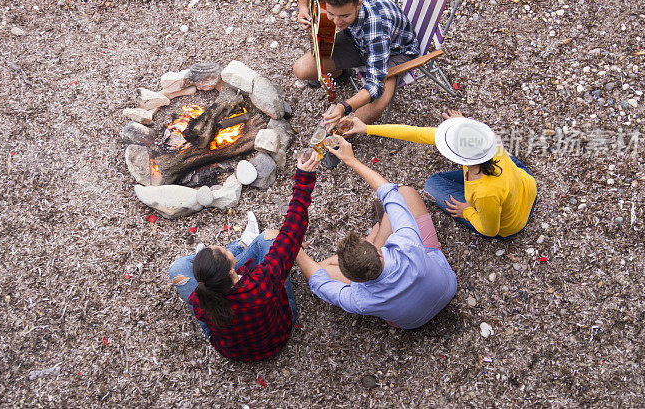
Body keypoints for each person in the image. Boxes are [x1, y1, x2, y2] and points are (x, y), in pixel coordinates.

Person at [168, 152, 319, 362]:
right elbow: (293, 230)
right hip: (278, 336)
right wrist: (304, 179)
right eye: (223, 249)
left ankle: (238, 246)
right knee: (267, 239)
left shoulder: (201, 299)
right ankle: (244, 243)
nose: (220, 244)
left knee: (177, 269)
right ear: (232, 270)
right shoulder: (263, 280)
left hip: (234, 352)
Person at [295, 135, 457, 329]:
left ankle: (373, 234)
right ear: (379, 252)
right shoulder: (407, 243)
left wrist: (293, 246)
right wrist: (350, 159)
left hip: (412, 322)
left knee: (321, 268)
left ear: (350, 280)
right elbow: (390, 192)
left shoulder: (358, 299)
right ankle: (375, 233)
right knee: (405, 193)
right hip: (447, 287)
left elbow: (315, 280)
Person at [339, 110, 537, 238]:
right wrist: (367, 129)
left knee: (432, 185)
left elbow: (490, 230)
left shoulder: (486, 193)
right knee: (507, 170)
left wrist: (467, 211)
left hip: (511, 222)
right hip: (524, 182)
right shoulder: (488, 142)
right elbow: (418, 134)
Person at [294, 0, 421, 127]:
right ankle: (343, 73)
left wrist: (344, 106)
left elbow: (375, 85)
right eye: (331, 14)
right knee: (301, 69)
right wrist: (302, 7)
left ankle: (346, 133)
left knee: (371, 109)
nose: (337, 22)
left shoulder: (377, 29)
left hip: (394, 52)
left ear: (358, 4)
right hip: (356, 41)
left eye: (344, 15)